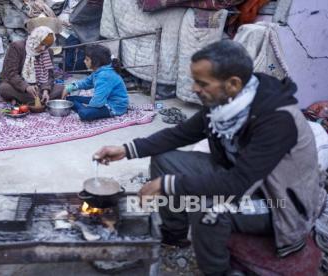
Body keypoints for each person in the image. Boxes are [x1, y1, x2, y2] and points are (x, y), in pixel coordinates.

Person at [93, 40, 326, 275]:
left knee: (207, 210)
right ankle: (173, 240)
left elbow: (238, 182)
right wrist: (126, 149)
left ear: (233, 84)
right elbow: (181, 134)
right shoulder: (223, 102)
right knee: (165, 160)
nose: (194, 88)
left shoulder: (277, 120)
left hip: (277, 202)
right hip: (240, 175)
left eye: (202, 83)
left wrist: (168, 184)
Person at [62, 45, 129, 121]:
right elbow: (86, 83)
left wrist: (88, 107)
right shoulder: (98, 71)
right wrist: (70, 87)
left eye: (87, 60)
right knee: (70, 99)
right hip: (105, 100)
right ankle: (75, 105)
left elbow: (97, 102)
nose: (84, 61)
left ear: (96, 62)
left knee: (84, 113)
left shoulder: (105, 75)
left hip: (114, 106)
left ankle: (79, 108)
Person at [0, 26, 63, 106]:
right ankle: (37, 99)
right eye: (42, 44)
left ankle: (27, 99)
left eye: (47, 46)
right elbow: (11, 74)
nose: (43, 48)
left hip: (38, 86)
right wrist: (26, 87)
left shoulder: (48, 52)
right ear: (35, 39)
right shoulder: (16, 47)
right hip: (17, 85)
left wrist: (46, 90)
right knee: (5, 88)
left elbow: (49, 75)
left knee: (61, 89)